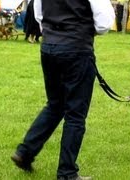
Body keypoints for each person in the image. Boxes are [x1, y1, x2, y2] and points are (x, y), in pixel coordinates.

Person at [10, 0, 115, 179]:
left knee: (55, 105)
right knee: (75, 114)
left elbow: (39, 14)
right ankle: (67, 172)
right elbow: (104, 22)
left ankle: (25, 152)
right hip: (76, 47)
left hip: (50, 46)